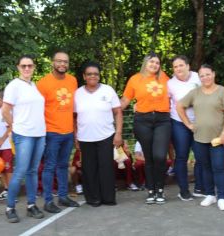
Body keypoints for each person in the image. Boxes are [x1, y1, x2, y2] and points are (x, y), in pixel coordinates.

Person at [177, 64, 224, 211]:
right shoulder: (195, 92)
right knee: (205, 167)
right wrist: (188, 124)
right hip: (199, 139)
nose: (205, 78)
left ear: (213, 74)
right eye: (202, 76)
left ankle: (221, 197)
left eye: (207, 74)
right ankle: (210, 194)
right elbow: (179, 106)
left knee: (219, 167)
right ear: (199, 77)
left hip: (218, 139)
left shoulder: (223, 91)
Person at [121, 52, 171, 204]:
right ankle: (151, 190)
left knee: (160, 156)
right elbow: (125, 100)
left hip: (163, 120)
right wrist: (111, 111)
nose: (154, 65)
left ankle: (160, 189)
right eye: (151, 62)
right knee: (148, 157)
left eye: (157, 62)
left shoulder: (165, 78)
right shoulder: (135, 79)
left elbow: (177, 95)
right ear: (145, 63)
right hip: (143, 121)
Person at [2, 55, 46, 223]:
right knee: (20, 171)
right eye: (23, 66)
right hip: (24, 134)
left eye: (30, 65)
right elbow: (5, 110)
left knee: (33, 171)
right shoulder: (14, 86)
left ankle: (31, 205)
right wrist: (14, 127)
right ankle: (10, 208)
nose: (27, 68)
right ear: (18, 67)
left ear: (34, 67)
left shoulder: (33, 85)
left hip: (39, 134)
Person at [74, 61, 123, 207]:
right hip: (85, 137)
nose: (92, 76)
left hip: (106, 136)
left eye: (95, 74)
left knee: (106, 168)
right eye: (89, 74)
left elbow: (118, 112)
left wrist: (118, 133)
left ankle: (108, 198)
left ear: (99, 75)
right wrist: (75, 135)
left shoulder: (108, 90)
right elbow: (73, 117)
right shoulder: (77, 94)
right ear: (84, 76)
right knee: (89, 169)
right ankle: (93, 198)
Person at [37, 51, 79, 213]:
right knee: (49, 167)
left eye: (65, 62)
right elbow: (38, 110)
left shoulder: (72, 80)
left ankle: (63, 197)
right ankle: (48, 201)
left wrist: (75, 132)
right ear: (53, 63)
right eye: (59, 61)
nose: (62, 64)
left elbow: (74, 109)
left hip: (68, 132)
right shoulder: (43, 83)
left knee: (63, 166)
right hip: (51, 132)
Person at [168, 55, 203, 201]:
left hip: (199, 122)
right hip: (179, 123)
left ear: (188, 66)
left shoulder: (198, 77)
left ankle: (200, 187)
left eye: (181, 65)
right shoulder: (170, 84)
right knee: (181, 157)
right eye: (175, 67)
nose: (178, 69)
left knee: (201, 156)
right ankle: (183, 190)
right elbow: (163, 102)